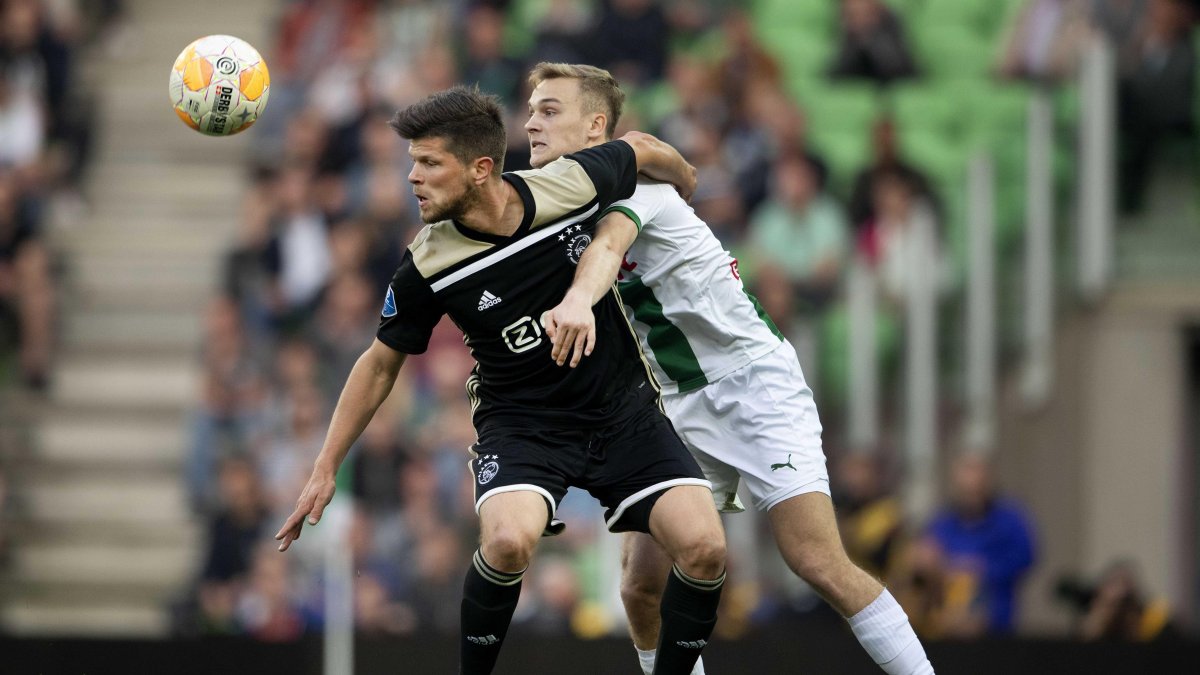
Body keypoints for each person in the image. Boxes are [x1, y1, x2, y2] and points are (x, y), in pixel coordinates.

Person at [274, 85, 727, 675]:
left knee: (706, 549)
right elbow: (380, 361)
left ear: (481, 168)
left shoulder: (568, 186)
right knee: (509, 543)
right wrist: (326, 464)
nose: (412, 177)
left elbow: (637, 148)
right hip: (522, 428)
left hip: (624, 412)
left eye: (429, 163)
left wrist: (686, 175)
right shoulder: (428, 262)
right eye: (413, 162)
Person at [535, 62, 935, 675]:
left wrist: (574, 302)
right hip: (674, 404)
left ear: (595, 128)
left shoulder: (634, 188)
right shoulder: (559, 203)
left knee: (816, 561)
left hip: (753, 383)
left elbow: (610, 244)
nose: (532, 122)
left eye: (549, 110)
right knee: (640, 587)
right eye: (531, 109)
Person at [926, 453, 1036, 634]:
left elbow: (1026, 556)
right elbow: (926, 558)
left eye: (978, 473)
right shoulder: (941, 522)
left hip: (996, 624)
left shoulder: (1010, 519)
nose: (972, 483)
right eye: (967, 473)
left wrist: (983, 568)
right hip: (945, 625)